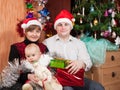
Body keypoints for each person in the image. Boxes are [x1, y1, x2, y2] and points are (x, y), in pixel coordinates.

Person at [43, 9, 105, 90]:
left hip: (76, 78)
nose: (63, 27)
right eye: (60, 25)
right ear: (56, 27)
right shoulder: (47, 43)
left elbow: (88, 62)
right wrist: (59, 64)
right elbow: (44, 63)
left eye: (66, 24)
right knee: (68, 89)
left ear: (70, 27)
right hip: (56, 80)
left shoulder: (79, 43)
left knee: (98, 87)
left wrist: (81, 63)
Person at [3, 18, 48, 90]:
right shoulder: (16, 47)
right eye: (31, 31)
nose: (34, 34)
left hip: (40, 81)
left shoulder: (44, 48)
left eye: (37, 31)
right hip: (20, 82)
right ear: (25, 32)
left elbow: (49, 68)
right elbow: (12, 73)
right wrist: (27, 76)